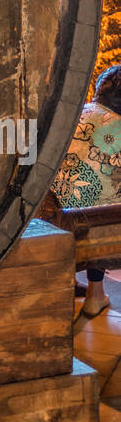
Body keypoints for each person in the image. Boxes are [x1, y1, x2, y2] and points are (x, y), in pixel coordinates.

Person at [50, 64, 121, 316]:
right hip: (96, 233)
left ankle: (91, 291)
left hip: (50, 220)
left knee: (96, 196)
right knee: (105, 202)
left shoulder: (76, 113)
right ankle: (95, 294)